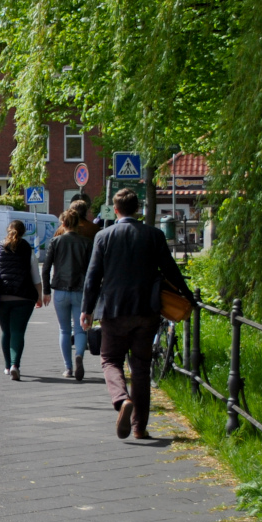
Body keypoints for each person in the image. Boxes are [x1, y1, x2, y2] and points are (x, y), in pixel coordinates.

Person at [81, 188, 189, 440]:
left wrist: (86, 310)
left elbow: (93, 277)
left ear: (115, 210)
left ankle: (121, 400)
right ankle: (140, 427)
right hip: (146, 310)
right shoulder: (154, 235)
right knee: (140, 367)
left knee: (110, 360)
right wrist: (188, 297)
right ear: (138, 209)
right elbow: (171, 270)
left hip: (114, 311)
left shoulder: (104, 236)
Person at [42, 207, 94, 381]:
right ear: (78, 224)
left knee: (64, 330)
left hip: (60, 291)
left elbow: (46, 268)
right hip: (80, 291)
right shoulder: (86, 243)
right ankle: (79, 354)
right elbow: (91, 271)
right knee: (80, 329)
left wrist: (46, 291)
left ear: (63, 224)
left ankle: (68, 368)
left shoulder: (55, 242)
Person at [0, 219, 44, 380]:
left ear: (8, 231)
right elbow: (35, 276)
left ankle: (7, 367)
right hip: (24, 297)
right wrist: (39, 296)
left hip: (2, 297)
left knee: (6, 331)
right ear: (23, 232)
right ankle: (15, 365)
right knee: (18, 332)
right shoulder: (28, 249)